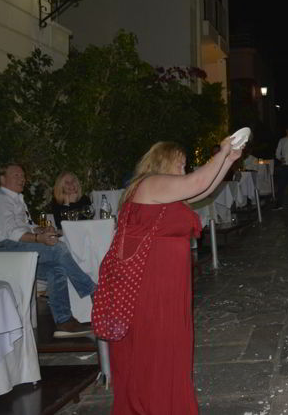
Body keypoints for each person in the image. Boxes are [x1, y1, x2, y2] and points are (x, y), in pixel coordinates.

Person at [92, 138, 242, 414]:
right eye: (180, 162)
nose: (184, 167)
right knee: (157, 349)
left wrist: (229, 160)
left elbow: (204, 189)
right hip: (151, 286)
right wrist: (221, 152)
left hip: (165, 284)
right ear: (162, 160)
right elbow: (197, 183)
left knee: (167, 347)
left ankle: (166, 404)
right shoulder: (151, 183)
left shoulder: (164, 190)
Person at [0, 163, 96, 338]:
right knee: (58, 248)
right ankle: (92, 290)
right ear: (2, 179)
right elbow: (12, 232)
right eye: (16, 175)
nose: (22, 178)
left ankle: (64, 321)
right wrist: (39, 239)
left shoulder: (16, 199)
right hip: (1, 249)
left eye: (22, 175)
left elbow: (25, 226)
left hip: (13, 250)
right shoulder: (0, 200)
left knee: (58, 268)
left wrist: (40, 230)